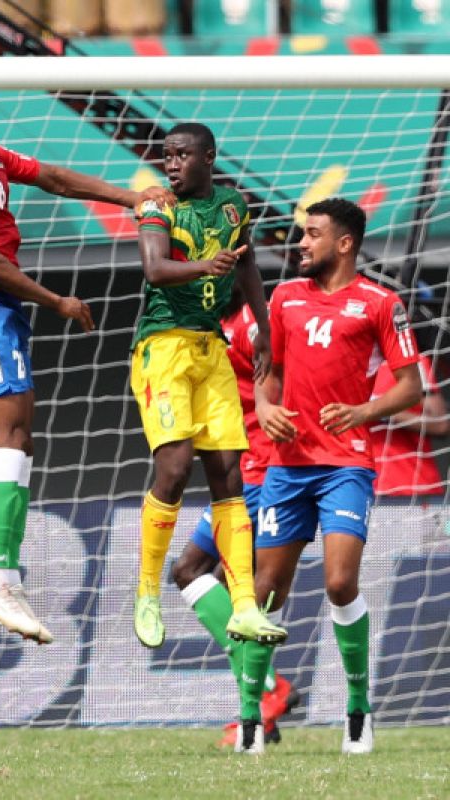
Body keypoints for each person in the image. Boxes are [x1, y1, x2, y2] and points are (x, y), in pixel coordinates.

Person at [0, 79, 169, 643]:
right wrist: (57, 302)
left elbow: (51, 177)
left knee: (22, 438)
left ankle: (4, 573)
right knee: (8, 437)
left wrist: (133, 199)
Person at [248, 197, 422, 755]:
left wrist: (362, 413)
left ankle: (357, 707)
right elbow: (265, 371)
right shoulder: (284, 297)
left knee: (340, 583)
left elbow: (410, 387)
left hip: (346, 464)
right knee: (264, 594)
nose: (301, 243)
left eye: (313, 235)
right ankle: (250, 718)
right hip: (287, 467)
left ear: (344, 244)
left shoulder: (380, 302)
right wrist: (265, 405)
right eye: (303, 234)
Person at [130, 122, 286, 672]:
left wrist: (263, 326)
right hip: (163, 348)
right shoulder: (158, 207)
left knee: (227, 474)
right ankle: (147, 592)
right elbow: (154, 268)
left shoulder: (232, 205)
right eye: (166, 156)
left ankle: (243, 605)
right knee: (173, 469)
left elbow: (245, 261)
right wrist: (203, 266)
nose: (171, 165)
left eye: (181, 156)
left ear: (209, 157)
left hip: (210, 348)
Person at [169, 293, 296, 748]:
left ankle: (269, 691)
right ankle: (268, 693)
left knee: (199, 573)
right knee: (204, 578)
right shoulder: (205, 320)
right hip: (239, 470)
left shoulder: (252, 324)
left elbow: (282, 383)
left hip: (261, 472)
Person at [369, 353, 448, 497]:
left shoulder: (413, 362)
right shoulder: (345, 365)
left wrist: (381, 409)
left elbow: (441, 424)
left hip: (412, 487)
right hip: (359, 487)